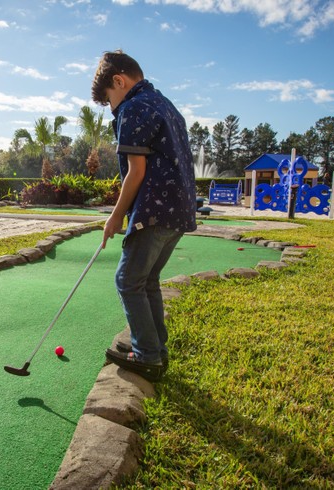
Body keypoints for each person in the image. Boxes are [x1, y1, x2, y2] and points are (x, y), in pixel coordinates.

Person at [92, 50, 197, 382]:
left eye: (109, 100)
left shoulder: (133, 107)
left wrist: (115, 217)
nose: (113, 109)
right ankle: (154, 347)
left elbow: (135, 172)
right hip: (178, 210)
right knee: (147, 279)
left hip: (154, 209)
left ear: (119, 81)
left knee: (128, 281)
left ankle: (147, 355)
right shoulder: (165, 104)